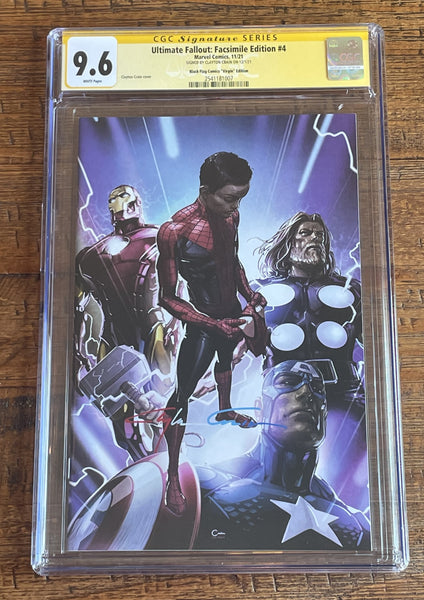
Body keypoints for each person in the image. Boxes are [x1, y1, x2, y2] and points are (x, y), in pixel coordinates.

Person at [157, 151, 267, 515]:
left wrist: (249, 293)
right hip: (203, 321)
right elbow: (167, 297)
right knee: (181, 394)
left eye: (241, 198)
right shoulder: (174, 231)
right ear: (205, 191)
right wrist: (208, 323)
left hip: (231, 312)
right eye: (230, 197)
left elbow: (232, 261)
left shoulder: (231, 215)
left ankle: (225, 410)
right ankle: (173, 475)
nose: (236, 206)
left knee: (226, 361)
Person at [195, 360, 370, 550]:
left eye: (317, 388)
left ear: (324, 413)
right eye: (287, 382)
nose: (306, 392)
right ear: (260, 408)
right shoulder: (198, 487)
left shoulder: (357, 524)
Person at [75, 184, 174, 461]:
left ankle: (171, 463)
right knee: (121, 419)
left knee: (162, 402)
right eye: (115, 203)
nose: (121, 209)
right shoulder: (90, 257)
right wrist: (79, 353)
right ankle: (145, 463)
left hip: (154, 330)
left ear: (137, 204)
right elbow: (78, 307)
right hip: (114, 338)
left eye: (125, 201)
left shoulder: (160, 238)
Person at [253, 211, 363, 408]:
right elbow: (236, 339)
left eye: (320, 235)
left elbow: (376, 339)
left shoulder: (350, 289)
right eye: (305, 233)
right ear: (288, 243)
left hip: (345, 389)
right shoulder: (259, 290)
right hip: (283, 392)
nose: (315, 238)